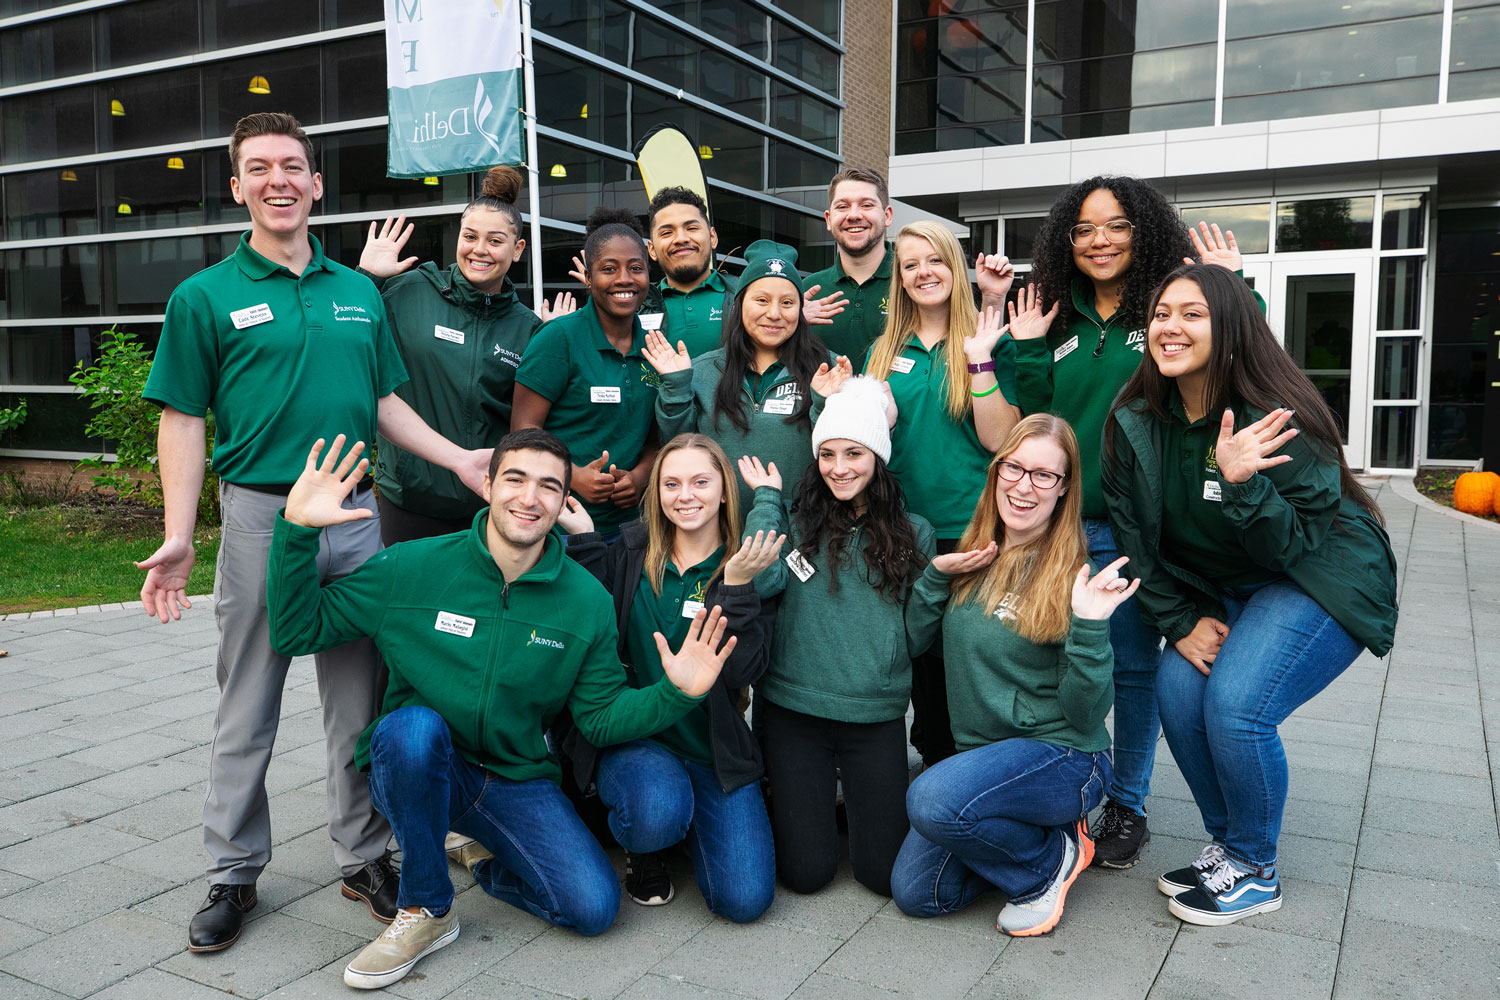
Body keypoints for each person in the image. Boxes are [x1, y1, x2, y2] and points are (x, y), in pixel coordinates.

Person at [137, 112, 491, 953]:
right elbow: (183, 420)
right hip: (264, 515)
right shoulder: (205, 297)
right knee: (247, 703)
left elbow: (384, 404)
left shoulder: (357, 293)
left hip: (356, 518)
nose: (279, 181)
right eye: (259, 168)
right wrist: (181, 533)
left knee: (355, 702)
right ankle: (232, 872)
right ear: (237, 187)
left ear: (317, 182)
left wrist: (462, 460)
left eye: (293, 166)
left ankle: (364, 854)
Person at [266, 429, 740, 988]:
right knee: (412, 730)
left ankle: (482, 855)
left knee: (594, 909)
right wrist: (297, 530)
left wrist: (677, 692)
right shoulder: (411, 567)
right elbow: (297, 628)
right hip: (422, 759)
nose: (529, 498)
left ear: (566, 502)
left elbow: (600, 717)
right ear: (488, 484)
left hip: (516, 778)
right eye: (514, 479)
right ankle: (425, 908)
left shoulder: (584, 600)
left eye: (548, 487)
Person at [1101, 264, 1397, 926]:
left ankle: (1256, 869)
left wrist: (1241, 484)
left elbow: (1292, 548)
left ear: (1229, 325)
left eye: (1192, 314)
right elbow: (1136, 540)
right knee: (1178, 689)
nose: (1170, 326)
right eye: (1161, 313)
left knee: (1236, 704)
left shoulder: (1277, 417)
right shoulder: (1134, 419)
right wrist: (1178, 622)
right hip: (1223, 585)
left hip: (1320, 578)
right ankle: (1229, 848)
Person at [1012, 175, 1249, 868]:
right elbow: (1035, 414)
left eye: (1114, 225)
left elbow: (1236, 349)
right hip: (1054, 526)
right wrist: (1025, 343)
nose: (1099, 240)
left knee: (1133, 674)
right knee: (1052, 662)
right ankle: (1060, 786)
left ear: (1142, 230)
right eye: (1083, 229)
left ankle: (1127, 804)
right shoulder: (1056, 313)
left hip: (1130, 531)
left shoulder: (1170, 310)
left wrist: (1236, 287)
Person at [891, 414, 1139, 937]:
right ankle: (1036, 833)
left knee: (931, 799)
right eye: (1016, 468)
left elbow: (1086, 713)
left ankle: (1048, 863)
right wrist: (935, 577)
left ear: (1064, 487)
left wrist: (1092, 629)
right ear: (996, 470)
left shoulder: (1074, 574)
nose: (1025, 486)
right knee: (919, 893)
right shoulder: (973, 553)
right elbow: (915, 644)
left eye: (1044, 475)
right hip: (985, 760)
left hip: (1065, 756)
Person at [556, 433, 784, 919]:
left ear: (724, 490)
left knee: (744, 901)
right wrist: (583, 539)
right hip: (637, 740)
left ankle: (681, 819)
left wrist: (739, 588)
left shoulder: (744, 565)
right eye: (671, 484)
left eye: (700, 482)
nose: (685, 496)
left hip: (711, 749)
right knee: (656, 808)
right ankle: (646, 845)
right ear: (656, 493)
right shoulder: (633, 552)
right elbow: (592, 610)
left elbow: (746, 670)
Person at [745, 377, 935, 897]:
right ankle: (815, 811)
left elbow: (915, 638)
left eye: (854, 452)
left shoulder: (913, 531)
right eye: (827, 453)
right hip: (793, 710)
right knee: (806, 876)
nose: (839, 466)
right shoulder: (793, 517)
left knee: (881, 877)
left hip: (872, 714)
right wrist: (765, 499)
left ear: (877, 455)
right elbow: (760, 581)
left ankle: (861, 809)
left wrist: (936, 583)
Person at [863, 220, 1020, 767]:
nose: (923, 272)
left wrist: (979, 357)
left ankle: (981, 773)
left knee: (971, 656)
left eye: (933, 260)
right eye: (910, 265)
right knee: (921, 661)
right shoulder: (883, 351)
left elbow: (1001, 439)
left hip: (971, 529)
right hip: (900, 530)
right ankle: (934, 771)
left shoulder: (988, 337)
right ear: (899, 279)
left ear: (954, 267)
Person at [355, 167, 573, 544]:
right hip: (409, 501)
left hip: (486, 506)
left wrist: (563, 338)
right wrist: (368, 277)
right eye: (470, 236)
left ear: (518, 250)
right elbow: (346, 337)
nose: (479, 250)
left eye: (495, 240)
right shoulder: (408, 291)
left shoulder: (529, 329)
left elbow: (540, 416)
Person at [645, 239, 852, 512]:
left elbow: (844, 460)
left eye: (788, 302)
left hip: (806, 534)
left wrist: (825, 402)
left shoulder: (829, 370)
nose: (774, 313)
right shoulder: (702, 371)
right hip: (719, 534)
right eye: (762, 300)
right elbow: (676, 452)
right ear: (740, 305)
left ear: (800, 311)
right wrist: (676, 387)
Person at [513, 207, 657, 538]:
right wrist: (572, 476)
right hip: (558, 525)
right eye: (609, 269)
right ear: (589, 278)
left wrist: (640, 476)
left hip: (633, 530)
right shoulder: (558, 338)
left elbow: (655, 437)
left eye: (636, 268)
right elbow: (522, 431)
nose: (624, 279)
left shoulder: (655, 348)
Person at [803, 168, 1012, 366]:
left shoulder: (920, 284)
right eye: (842, 206)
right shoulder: (805, 292)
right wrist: (791, 324)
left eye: (866, 205)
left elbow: (977, 340)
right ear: (829, 220)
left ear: (887, 216)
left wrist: (993, 299)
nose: (854, 215)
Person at [640, 186, 736, 356]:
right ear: (652, 249)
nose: (681, 239)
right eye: (667, 232)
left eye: (691, 228)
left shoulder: (745, 296)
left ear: (712, 238)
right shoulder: (636, 305)